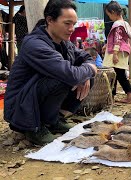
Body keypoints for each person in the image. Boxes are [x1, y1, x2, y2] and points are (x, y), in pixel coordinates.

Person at [4, 0, 98, 145]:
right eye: (67, 23)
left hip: (37, 94)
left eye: (74, 24)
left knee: (85, 77)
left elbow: (85, 57)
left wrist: (87, 73)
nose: (72, 28)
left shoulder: (64, 42)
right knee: (64, 78)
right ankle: (34, 128)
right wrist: (89, 70)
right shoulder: (35, 44)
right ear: (50, 20)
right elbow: (70, 75)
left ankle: (54, 120)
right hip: (21, 106)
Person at [103, 1, 131, 104]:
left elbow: (118, 39)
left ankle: (114, 97)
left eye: (109, 15)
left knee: (116, 75)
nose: (109, 17)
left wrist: (115, 54)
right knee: (119, 75)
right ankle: (117, 96)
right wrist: (107, 45)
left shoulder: (118, 24)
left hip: (118, 52)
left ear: (113, 12)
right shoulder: (125, 23)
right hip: (122, 51)